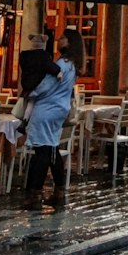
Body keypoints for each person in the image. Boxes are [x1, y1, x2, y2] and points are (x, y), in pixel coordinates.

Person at [24, 36, 76, 209]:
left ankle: (35, 195)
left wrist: (31, 93)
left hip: (46, 109)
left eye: (63, 37)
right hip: (60, 108)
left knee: (42, 152)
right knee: (52, 150)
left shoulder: (61, 64)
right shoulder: (73, 65)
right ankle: (59, 192)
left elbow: (46, 85)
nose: (60, 39)